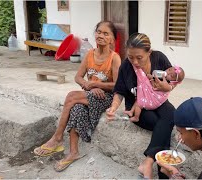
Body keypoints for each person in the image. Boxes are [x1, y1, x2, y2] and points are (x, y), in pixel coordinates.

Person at [33, 21, 121, 172]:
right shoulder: (89, 54)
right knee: (77, 108)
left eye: (106, 34)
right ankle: (73, 152)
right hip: (89, 94)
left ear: (112, 39)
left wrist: (94, 85)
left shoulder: (114, 58)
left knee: (71, 96)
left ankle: (57, 137)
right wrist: (88, 85)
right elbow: (78, 77)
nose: (101, 35)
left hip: (105, 97)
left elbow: (118, 85)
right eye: (99, 32)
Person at [106, 33, 176, 179]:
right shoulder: (126, 66)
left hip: (158, 100)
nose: (135, 62)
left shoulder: (159, 58)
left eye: (139, 57)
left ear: (149, 53)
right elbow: (119, 91)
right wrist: (113, 107)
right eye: (131, 57)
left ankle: (148, 162)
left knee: (171, 115)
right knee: (161, 125)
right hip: (137, 108)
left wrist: (166, 87)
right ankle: (163, 171)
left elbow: (173, 80)